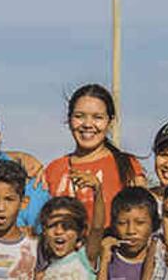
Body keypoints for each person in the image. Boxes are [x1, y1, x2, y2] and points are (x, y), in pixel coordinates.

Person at [44, 84, 147, 225]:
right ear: (69, 120)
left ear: (110, 122)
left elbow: (142, 220)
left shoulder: (127, 166)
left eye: (97, 117)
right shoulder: (53, 169)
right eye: (79, 116)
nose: (87, 124)